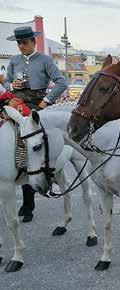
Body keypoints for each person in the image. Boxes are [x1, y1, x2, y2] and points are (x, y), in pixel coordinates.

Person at [5, 26, 68, 222]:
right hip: (15, 102)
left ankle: (29, 200)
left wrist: (46, 102)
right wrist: (10, 86)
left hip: (35, 105)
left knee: (30, 144)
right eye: (19, 43)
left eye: (24, 42)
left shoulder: (45, 60)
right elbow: (6, 83)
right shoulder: (14, 61)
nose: (21, 46)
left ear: (33, 42)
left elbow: (61, 82)